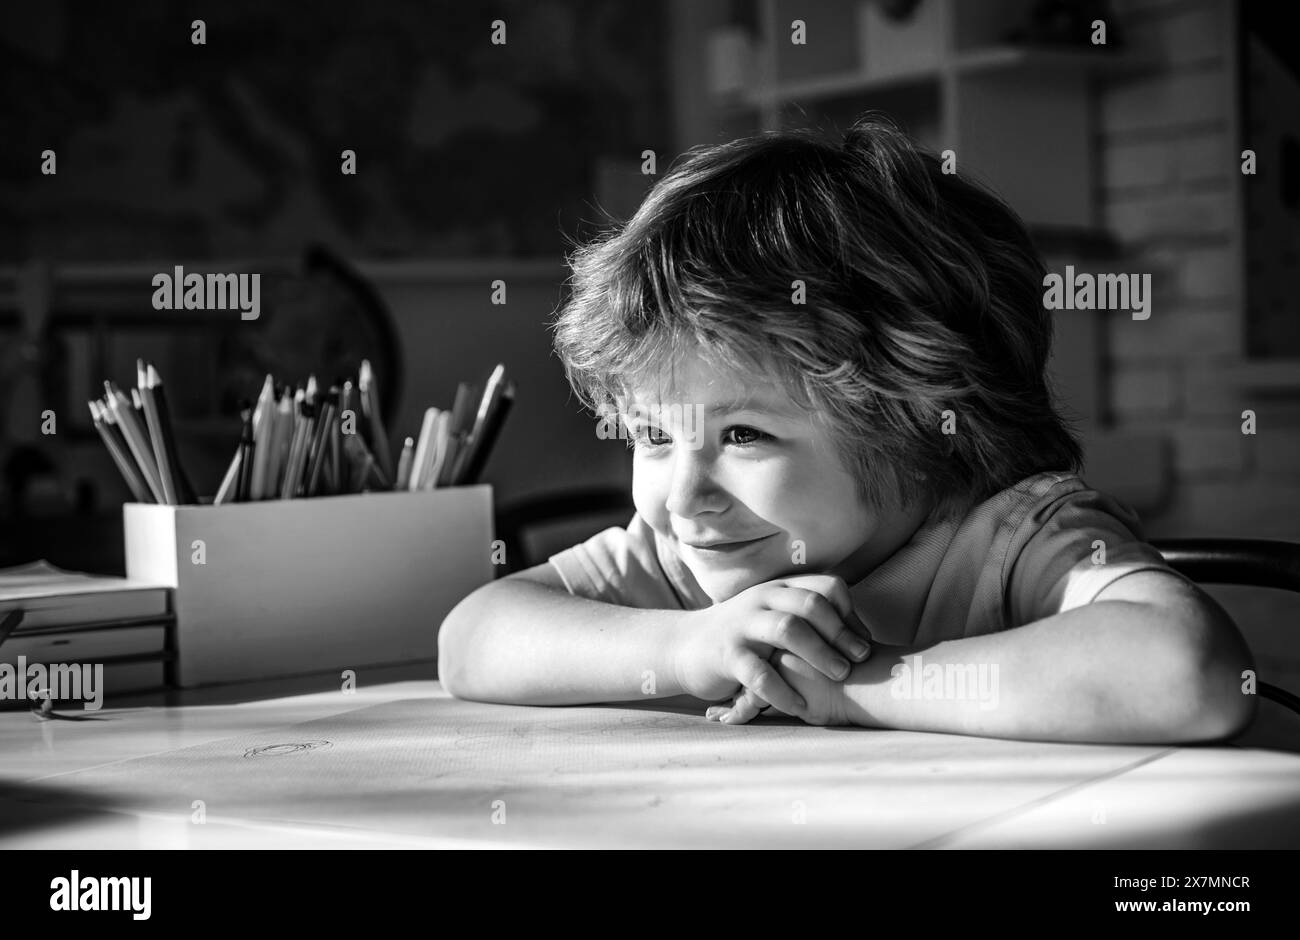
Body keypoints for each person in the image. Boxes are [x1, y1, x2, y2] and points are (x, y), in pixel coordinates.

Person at [439, 115, 1254, 743]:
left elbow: (1187, 671)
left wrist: (853, 685)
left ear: (912, 417)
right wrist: (687, 648)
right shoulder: (692, 566)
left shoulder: (1009, 539)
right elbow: (470, 639)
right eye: (654, 435)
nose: (682, 495)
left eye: (745, 436)